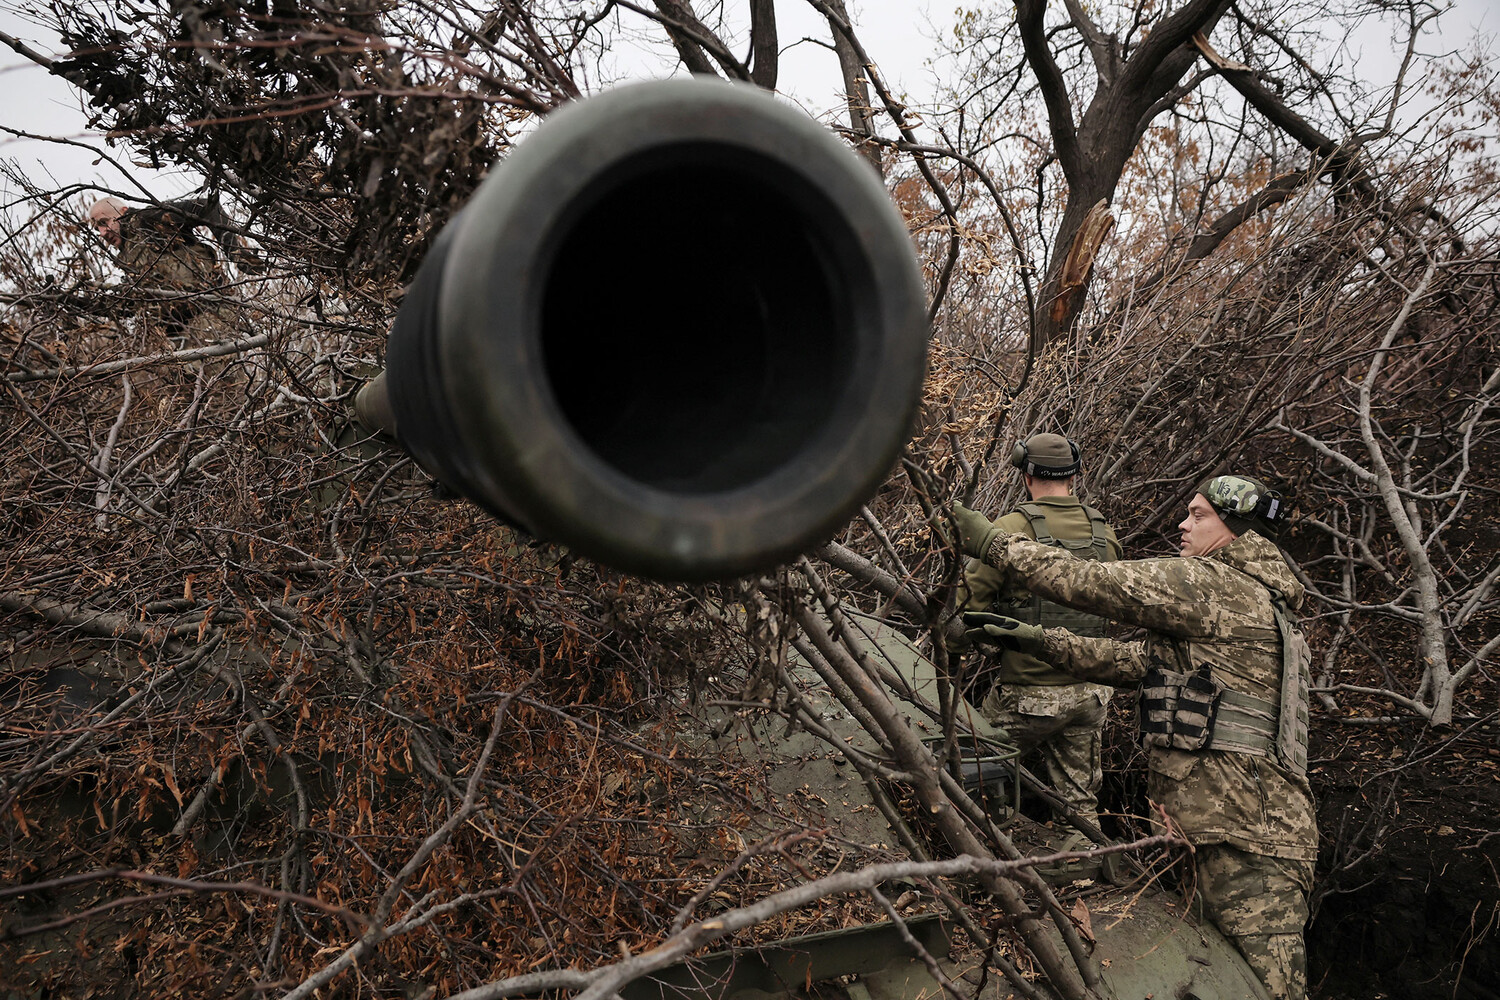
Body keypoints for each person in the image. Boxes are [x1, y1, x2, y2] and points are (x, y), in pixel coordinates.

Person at [952, 474, 1316, 1000]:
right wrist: (1038, 640)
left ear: (1236, 529)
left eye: (1198, 515)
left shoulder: (1214, 584)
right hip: (1231, 826)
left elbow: (1093, 582)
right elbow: (1138, 663)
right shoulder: (1250, 597)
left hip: (1250, 837)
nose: (1182, 524)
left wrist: (992, 543)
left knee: (1264, 989)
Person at [954, 433, 1122, 853]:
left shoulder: (1010, 530)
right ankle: (1086, 864)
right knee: (1079, 801)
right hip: (1091, 695)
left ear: (1026, 475)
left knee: (972, 768)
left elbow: (968, 605)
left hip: (1028, 697)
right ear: (1074, 475)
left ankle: (979, 857)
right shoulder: (1104, 532)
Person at [86, 194, 257, 332]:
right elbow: (130, 305)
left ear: (123, 211)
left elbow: (208, 206)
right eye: (97, 229)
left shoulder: (149, 218)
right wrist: (78, 303)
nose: (102, 233)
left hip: (212, 314)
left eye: (104, 222)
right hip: (180, 333)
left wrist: (237, 254)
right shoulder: (128, 256)